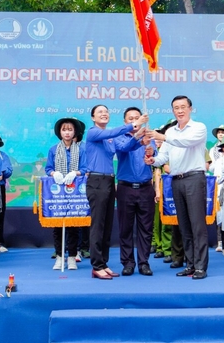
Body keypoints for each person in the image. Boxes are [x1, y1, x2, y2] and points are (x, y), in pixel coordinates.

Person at [82, 105, 148, 279]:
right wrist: (134, 124)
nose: (104, 114)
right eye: (100, 112)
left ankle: (103, 263)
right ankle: (96, 265)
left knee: (107, 224)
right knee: (98, 224)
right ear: (93, 117)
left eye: (106, 112)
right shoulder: (93, 133)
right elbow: (112, 132)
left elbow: (125, 147)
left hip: (110, 181)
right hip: (97, 180)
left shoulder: (110, 138)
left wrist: (139, 140)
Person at [147, 96, 209, 279]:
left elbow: (186, 142)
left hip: (194, 178)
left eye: (183, 107)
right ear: (173, 110)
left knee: (197, 225)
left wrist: (163, 137)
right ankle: (190, 264)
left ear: (190, 108)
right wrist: (152, 159)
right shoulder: (171, 131)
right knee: (184, 225)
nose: (180, 111)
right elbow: (163, 157)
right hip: (176, 180)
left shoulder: (198, 128)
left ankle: (200, 266)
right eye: (176, 108)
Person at [114, 107, 157, 276]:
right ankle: (128, 263)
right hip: (125, 188)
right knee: (125, 228)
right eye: (131, 119)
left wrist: (152, 152)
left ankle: (144, 262)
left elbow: (155, 158)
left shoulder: (149, 137)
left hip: (146, 188)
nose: (134, 121)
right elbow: (125, 148)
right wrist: (138, 137)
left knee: (146, 228)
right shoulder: (120, 137)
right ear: (125, 122)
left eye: (137, 118)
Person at [46, 117, 86, 270]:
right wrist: (54, 173)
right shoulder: (53, 149)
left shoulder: (81, 150)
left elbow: (85, 168)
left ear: (75, 132)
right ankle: (59, 257)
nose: (67, 132)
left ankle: (72, 257)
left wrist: (75, 173)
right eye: (64, 129)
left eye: (70, 129)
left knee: (73, 226)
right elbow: (48, 168)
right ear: (59, 132)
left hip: (75, 192)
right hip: (58, 192)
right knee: (58, 227)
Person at [151, 119, 177, 263]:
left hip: (181, 186)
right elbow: (160, 170)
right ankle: (163, 248)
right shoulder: (161, 151)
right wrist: (157, 190)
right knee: (161, 221)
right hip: (164, 188)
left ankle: (176, 251)